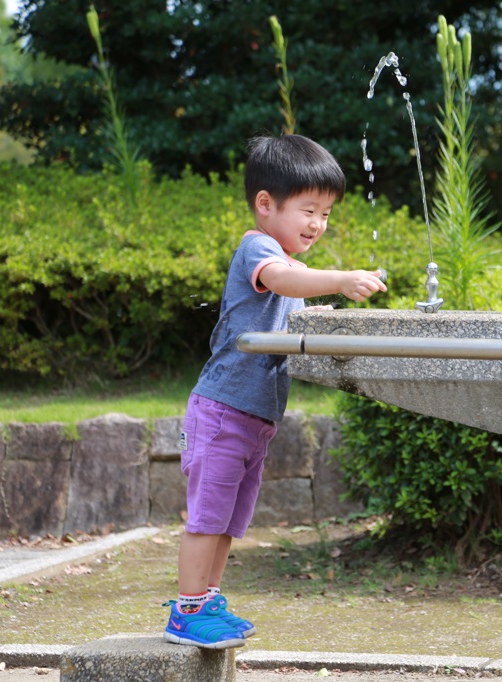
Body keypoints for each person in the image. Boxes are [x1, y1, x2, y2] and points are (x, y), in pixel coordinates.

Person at [164, 134, 387, 649]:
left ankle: (208, 600)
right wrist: (339, 280)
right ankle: (185, 611)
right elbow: (283, 282)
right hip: (222, 410)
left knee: (227, 522)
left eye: (327, 214)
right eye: (309, 209)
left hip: (253, 419)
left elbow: (293, 299)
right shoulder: (259, 248)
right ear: (266, 205)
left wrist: (318, 315)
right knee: (206, 518)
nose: (318, 224)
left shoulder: (291, 264)